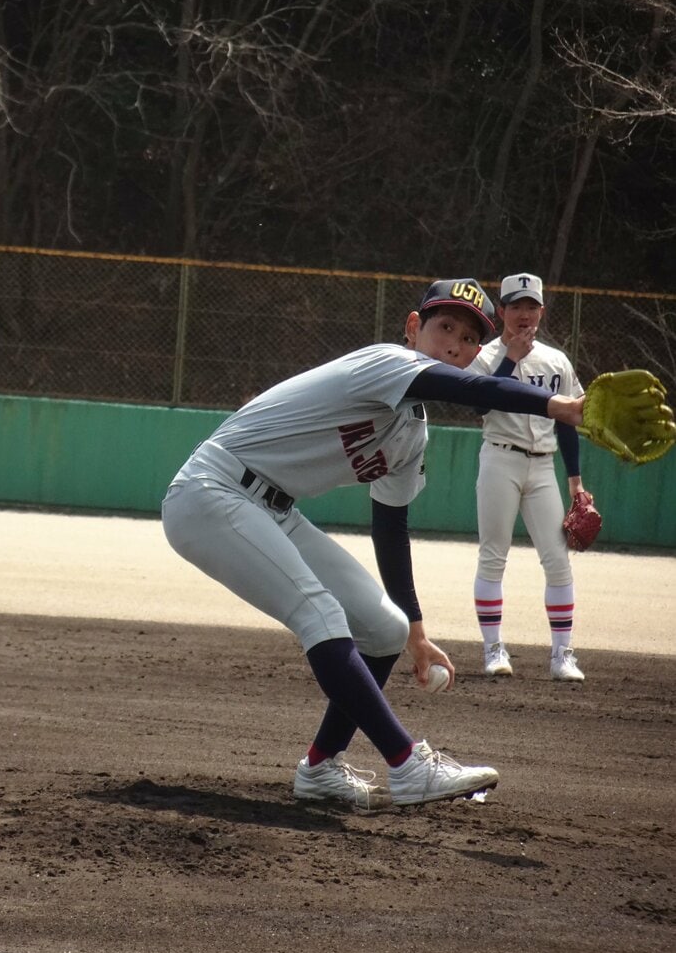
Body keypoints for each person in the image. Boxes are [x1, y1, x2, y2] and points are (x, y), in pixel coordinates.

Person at [162, 278, 585, 809]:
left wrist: (416, 632)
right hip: (211, 491)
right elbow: (473, 391)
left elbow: (390, 527)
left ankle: (320, 768)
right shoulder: (385, 363)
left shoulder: (411, 434)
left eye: (467, 338)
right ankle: (407, 765)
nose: (452, 343)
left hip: (271, 508)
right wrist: (560, 406)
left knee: (383, 629)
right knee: (319, 612)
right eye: (443, 327)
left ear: (478, 351)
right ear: (413, 328)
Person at [468, 272, 587, 682]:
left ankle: (562, 655)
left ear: (541, 312)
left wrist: (576, 480)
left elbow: (570, 420)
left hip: (542, 467)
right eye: (515, 306)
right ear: (501, 311)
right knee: (493, 555)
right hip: (500, 460)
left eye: (530, 307)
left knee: (558, 561)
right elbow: (479, 403)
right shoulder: (484, 357)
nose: (523, 314)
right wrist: (510, 359)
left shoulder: (556, 360)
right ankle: (493, 648)